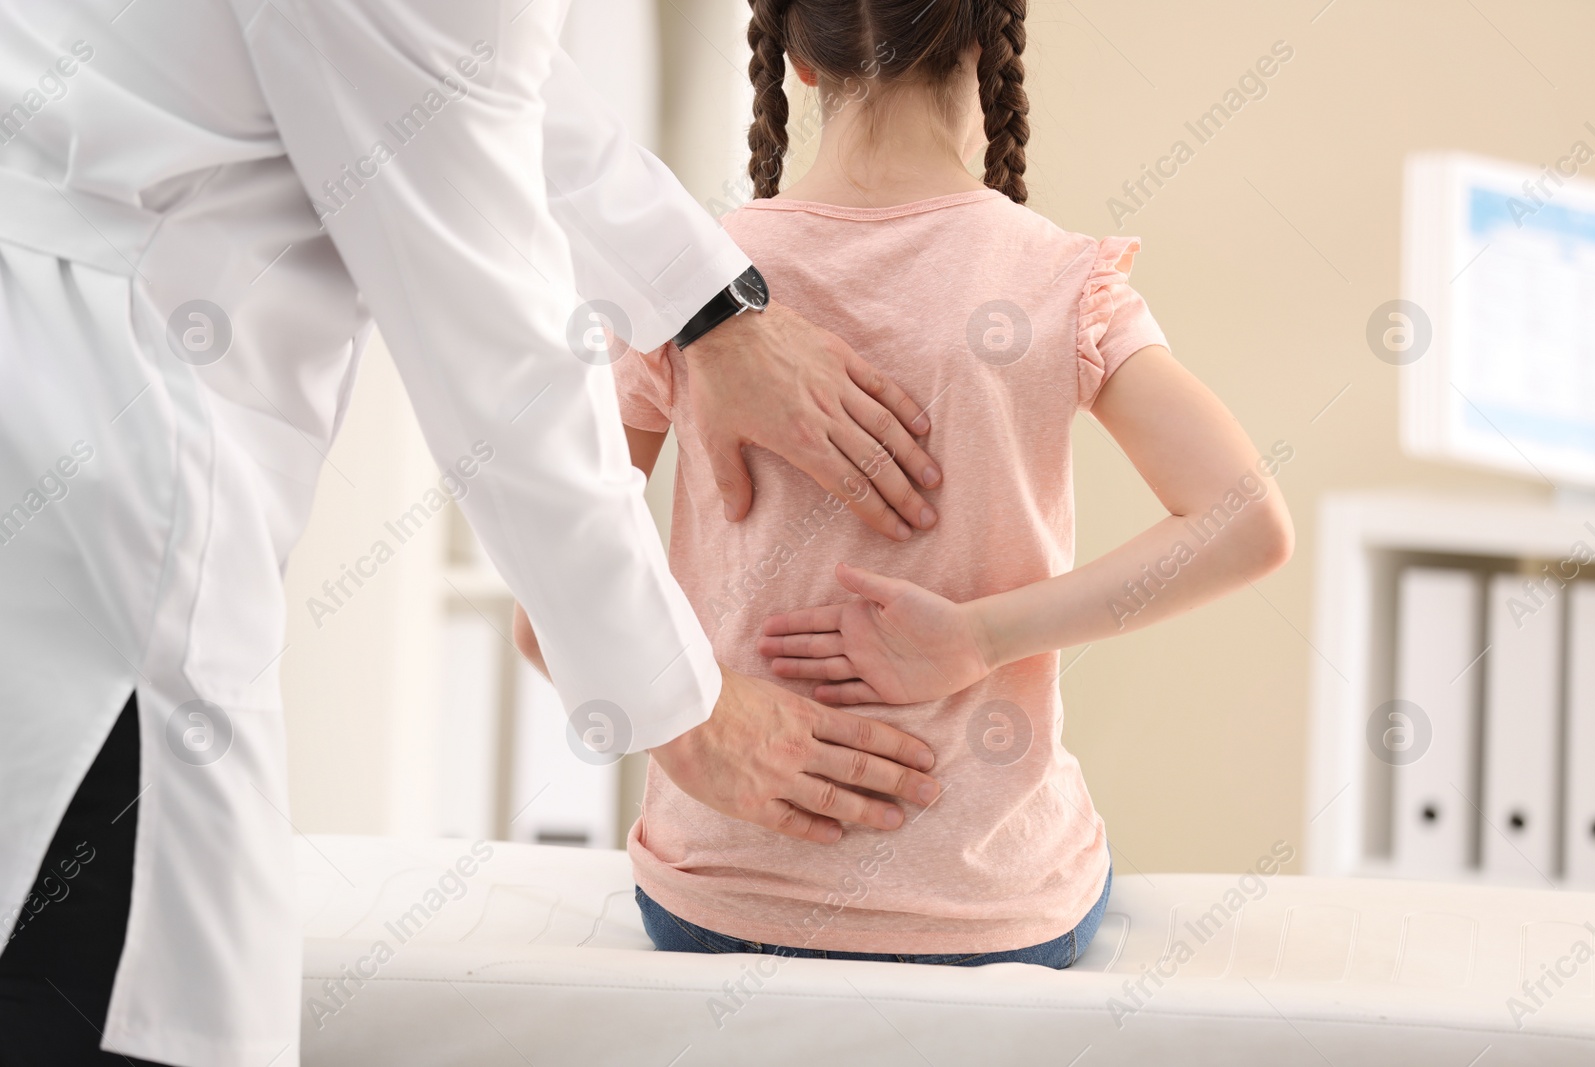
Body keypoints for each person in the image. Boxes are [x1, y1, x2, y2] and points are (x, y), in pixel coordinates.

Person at [0, 3, 948, 1065]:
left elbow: (484, 85)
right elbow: (500, 348)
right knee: (108, 974)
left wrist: (707, 308)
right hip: (71, 451)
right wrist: (679, 703)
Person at [514, 0, 1293, 967]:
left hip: (713, 901)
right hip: (988, 915)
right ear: (987, 45)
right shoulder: (1058, 277)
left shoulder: (682, 293)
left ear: (794, 58)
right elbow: (1249, 525)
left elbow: (541, 615)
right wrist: (978, 637)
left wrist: (699, 721)